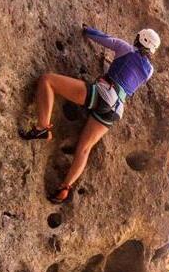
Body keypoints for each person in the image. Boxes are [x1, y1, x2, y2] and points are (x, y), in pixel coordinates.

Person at [20, 26, 161, 203]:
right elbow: (128, 76)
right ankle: (64, 188)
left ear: (139, 39)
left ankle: (42, 127)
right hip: (116, 109)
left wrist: (87, 28)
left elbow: (97, 36)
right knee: (84, 149)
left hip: (103, 93)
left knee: (47, 81)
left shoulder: (126, 48)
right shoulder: (149, 72)